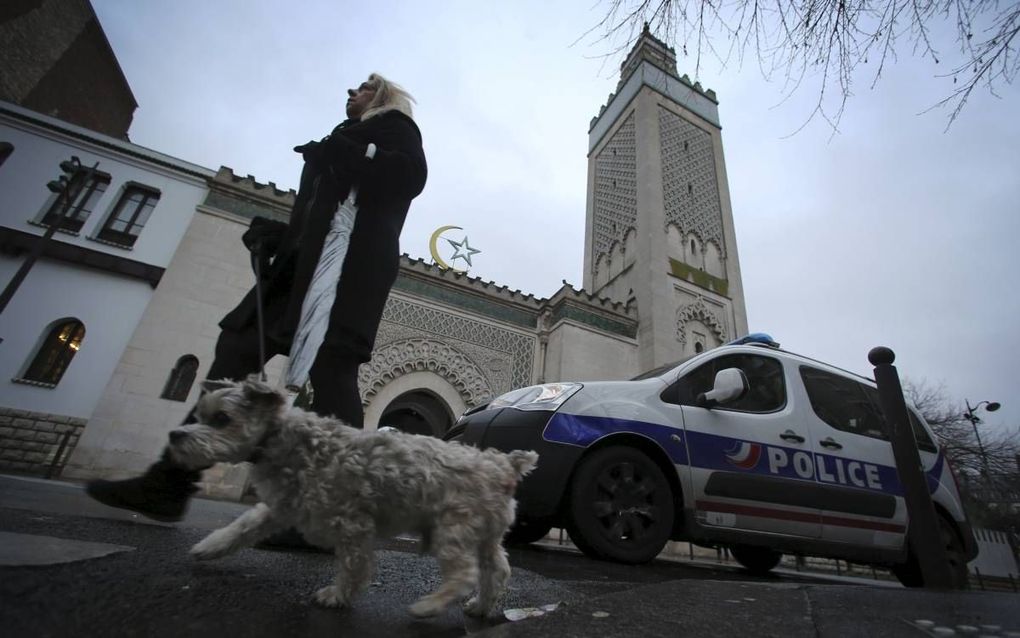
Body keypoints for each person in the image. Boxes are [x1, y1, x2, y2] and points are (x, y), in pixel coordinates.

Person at [85, 73, 428, 522]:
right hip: (299, 267)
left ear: (381, 97)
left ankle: (336, 510)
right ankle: (170, 480)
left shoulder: (395, 129)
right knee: (237, 348)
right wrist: (283, 235)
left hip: (348, 268)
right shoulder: (342, 137)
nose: (351, 92)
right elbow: (321, 210)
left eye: (363, 87)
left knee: (331, 370)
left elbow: (409, 177)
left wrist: (354, 152)